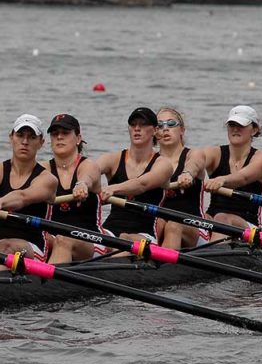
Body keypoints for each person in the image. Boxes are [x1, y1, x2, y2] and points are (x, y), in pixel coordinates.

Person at [0, 113, 58, 264]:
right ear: (11, 138)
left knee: (6, 247)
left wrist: (0, 203)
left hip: (31, 246)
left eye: (32, 137)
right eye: (20, 135)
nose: (25, 142)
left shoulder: (48, 179)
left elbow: (23, 196)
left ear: (41, 142)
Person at [97, 107, 176, 243]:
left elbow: (141, 184)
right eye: (133, 124)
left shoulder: (163, 165)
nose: (137, 128)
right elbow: (90, 171)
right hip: (110, 229)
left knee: (125, 239)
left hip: (145, 234)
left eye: (143, 124)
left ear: (156, 130)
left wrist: (112, 189)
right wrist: (81, 184)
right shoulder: (112, 159)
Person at [44, 113, 106, 264]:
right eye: (55, 134)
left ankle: (48, 284)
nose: (59, 137)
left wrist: (82, 184)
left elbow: (87, 177)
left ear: (78, 139)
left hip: (90, 239)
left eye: (65, 133)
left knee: (63, 240)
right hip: (55, 238)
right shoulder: (43, 169)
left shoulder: (88, 165)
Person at [200, 105, 262, 233]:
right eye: (232, 125)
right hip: (213, 218)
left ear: (254, 130)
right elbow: (195, 161)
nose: (235, 129)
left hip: (248, 225)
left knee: (222, 217)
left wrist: (222, 180)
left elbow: (243, 178)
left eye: (241, 125)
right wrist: (187, 173)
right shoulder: (214, 153)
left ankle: (215, 249)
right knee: (195, 217)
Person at [155, 106, 207, 249]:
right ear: (154, 133)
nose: (165, 129)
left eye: (171, 124)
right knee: (157, 222)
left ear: (182, 130)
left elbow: (195, 164)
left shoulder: (194, 154)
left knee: (173, 225)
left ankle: (164, 267)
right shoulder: (151, 161)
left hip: (195, 227)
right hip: (161, 222)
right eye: (159, 125)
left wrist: (187, 174)